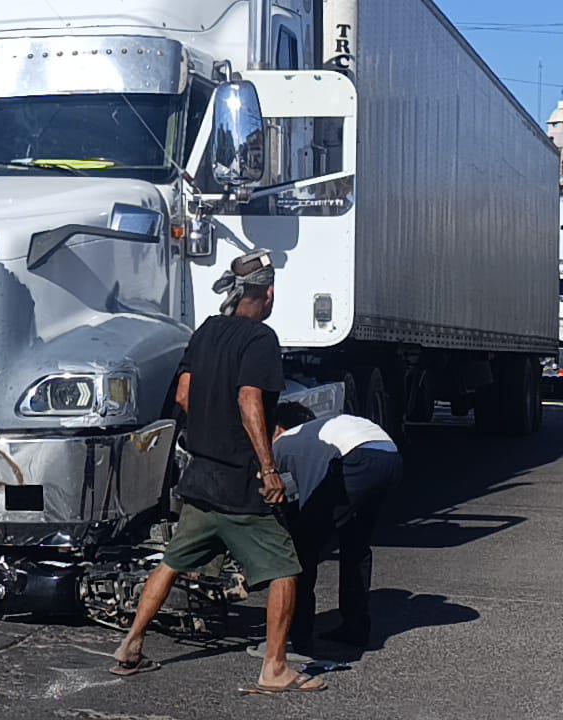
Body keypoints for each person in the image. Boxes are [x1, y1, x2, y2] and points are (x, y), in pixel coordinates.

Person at [111, 251, 326, 694]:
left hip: (200, 479)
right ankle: (275, 668)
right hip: (239, 483)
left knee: (172, 562)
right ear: (267, 295)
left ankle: (131, 645)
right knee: (286, 569)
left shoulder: (206, 331)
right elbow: (250, 400)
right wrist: (268, 469)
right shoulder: (261, 339)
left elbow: (186, 396)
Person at [272, 402, 403, 657]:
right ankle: (355, 628)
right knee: (356, 543)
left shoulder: (287, 440)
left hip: (357, 459)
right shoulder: (325, 427)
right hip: (390, 455)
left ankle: (299, 638)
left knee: (304, 549)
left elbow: (305, 491)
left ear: (280, 427)